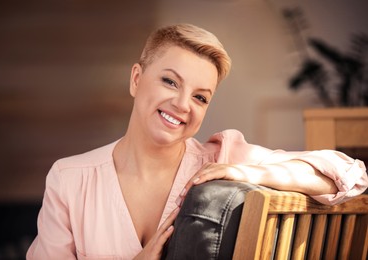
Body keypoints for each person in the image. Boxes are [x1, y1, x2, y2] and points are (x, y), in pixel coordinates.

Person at [27, 23, 368, 260]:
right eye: (170, 82)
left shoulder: (223, 158)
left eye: (201, 97)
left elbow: (350, 175)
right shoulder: (70, 178)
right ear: (136, 79)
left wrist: (254, 175)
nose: (182, 105)